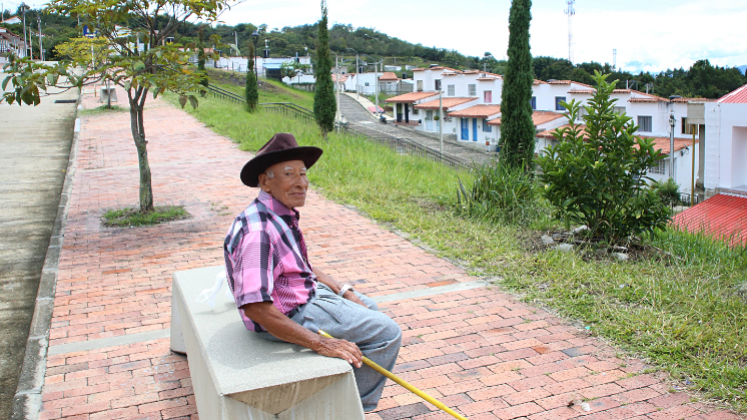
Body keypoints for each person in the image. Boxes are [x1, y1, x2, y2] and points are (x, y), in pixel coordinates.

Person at [223, 133, 401, 412]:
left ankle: (341, 390)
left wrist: (344, 290)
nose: (302, 182)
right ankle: (349, 411)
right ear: (265, 181)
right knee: (386, 333)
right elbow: (256, 307)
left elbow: (298, 263)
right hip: (287, 312)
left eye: (303, 173)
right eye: (289, 173)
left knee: (370, 307)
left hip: (300, 293)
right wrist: (321, 344)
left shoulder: (277, 212)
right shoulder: (259, 231)